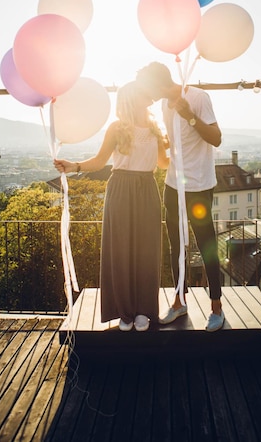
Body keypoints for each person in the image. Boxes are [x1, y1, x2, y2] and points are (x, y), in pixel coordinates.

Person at [54, 81, 169, 332]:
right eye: (144, 91)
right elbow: (99, 161)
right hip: (121, 188)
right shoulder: (117, 128)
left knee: (147, 250)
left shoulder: (154, 128)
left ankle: (144, 309)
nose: (150, 94)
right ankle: (125, 311)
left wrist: (186, 150)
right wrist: (73, 166)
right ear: (133, 98)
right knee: (121, 250)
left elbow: (163, 163)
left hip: (147, 189)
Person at [136, 62, 225, 332]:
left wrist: (191, 117)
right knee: (176, 246)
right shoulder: (164, 105)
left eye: (147, 89)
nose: (147, 96)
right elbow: (175, 144)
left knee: (207, 244)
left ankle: (216, 308)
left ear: (158, 84)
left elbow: (217, 138)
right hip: (174, 184)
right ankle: (179, 301)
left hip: (199, 186)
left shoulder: (198, 97)